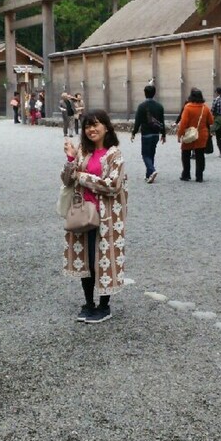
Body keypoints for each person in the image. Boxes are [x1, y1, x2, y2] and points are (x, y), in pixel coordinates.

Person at [61, 109, 128, 324]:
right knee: (87, 261)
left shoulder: (114, 154)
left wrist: (82, 176)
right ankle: (89, 303)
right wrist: (71, 159)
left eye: (96, 124)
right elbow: (67, 180)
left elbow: (113, 185)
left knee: (103, 260)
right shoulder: (83, 152)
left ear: (106, 127)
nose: (91, 129)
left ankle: (104, 306)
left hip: (106, 217)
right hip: (83, 214)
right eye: (88, 126)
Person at [130, 84, 166, 184]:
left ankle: (152, 170)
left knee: (145, 154)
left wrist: (134, 132)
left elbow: (138, 121)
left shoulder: (141, 106)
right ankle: (148, 175)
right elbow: (162, 121)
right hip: (156, 134)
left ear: (145, 93)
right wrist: (163, 134)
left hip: (146, 133)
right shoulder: (159, 106)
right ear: (154, 93)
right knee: (151, 153)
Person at [176, 87, 213, 183]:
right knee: (200, 155)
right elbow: (211, 121)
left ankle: (186, 174)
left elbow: (183, 123)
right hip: (202, 134)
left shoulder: (188, 107)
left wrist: (180, 134)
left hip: (189, 134)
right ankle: (199, 176)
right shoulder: (205, 108)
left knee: (185, 154)